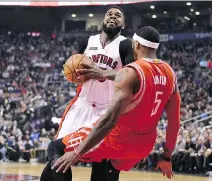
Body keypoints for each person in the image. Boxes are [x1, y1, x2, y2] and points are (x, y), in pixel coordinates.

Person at [52, 26, 181, 180]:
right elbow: (174, 122)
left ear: (136, 45)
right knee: (108, 168)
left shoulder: (130, 72)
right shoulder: (170, 73)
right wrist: (167, 157)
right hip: (144, 146)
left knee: (55, 148)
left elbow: (109, 119)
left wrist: (76, 152)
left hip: (119, 139)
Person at [40, 6, 133, 181]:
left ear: (123, 23)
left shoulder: (125, 45)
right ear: (103, 20)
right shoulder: (87, 41)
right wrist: (74, 74)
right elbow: (75, 71)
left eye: (118, 15)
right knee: (57, 152)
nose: (113, 17)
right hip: (82, 105)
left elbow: (133, 77)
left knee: (103, 164)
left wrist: (103, 73)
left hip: (108, 111)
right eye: (109, 14)